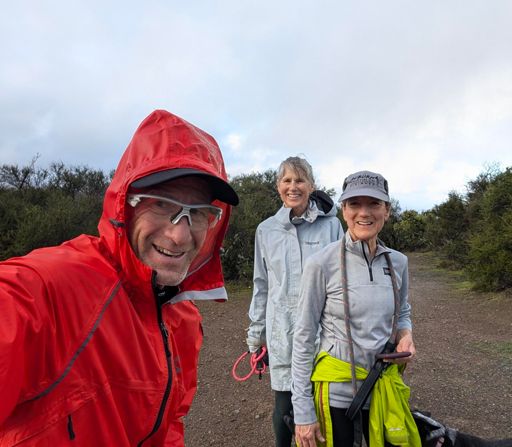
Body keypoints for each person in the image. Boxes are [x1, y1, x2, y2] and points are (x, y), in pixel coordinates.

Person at [0, 109, 239, 446]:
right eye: (160, 204)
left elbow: (170, 422)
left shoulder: (182, 317)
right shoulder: (48, 289)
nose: (179, 236)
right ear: (125, 205)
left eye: (198, 213)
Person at [291, 170, 419, 447]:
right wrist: (302, 411)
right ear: (343, 210)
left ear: (387, 210)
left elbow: (402, 312)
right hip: (336, 395)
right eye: (354, 204)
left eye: (374, 204)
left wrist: (406, 335)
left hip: (383, 388)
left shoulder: (398, 262)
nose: (364, 213)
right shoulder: (321, 264)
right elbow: (303, 336)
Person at [246, 156, 343, 447]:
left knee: (324, 400)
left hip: (324, 328)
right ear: (278, 186)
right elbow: (261, 284)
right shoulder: (266, 230)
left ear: (311, 185)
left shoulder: (331, 226)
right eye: (287, 180)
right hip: (282, 329)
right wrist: (256, 337)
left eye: (300, 180)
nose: (293, 186)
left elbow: (342, 280)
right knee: (284, 401)